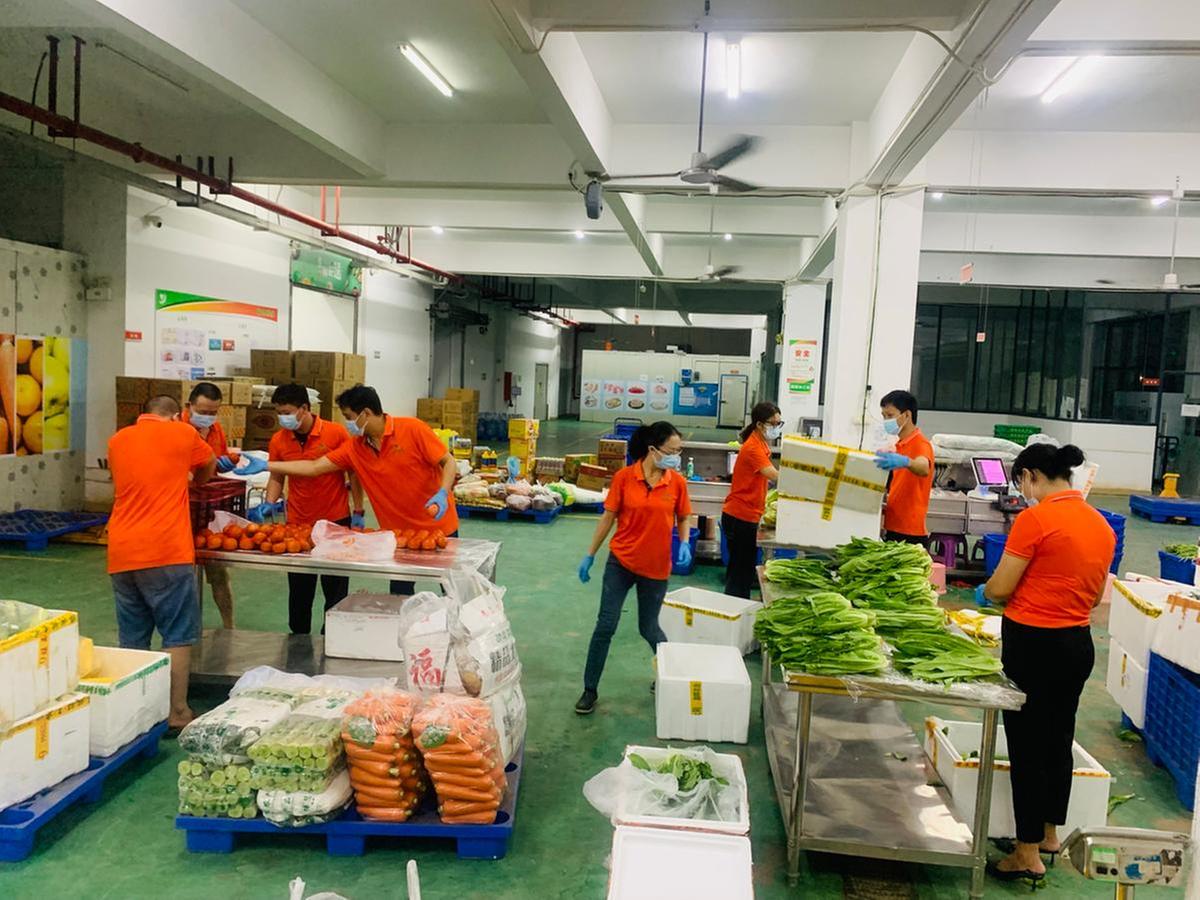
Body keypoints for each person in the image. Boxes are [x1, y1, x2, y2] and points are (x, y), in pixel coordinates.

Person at [976, 443, 1115, 887]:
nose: (1023, 490)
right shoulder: (1099, 523)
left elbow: (1001, 587)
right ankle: (1050, 835)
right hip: (1077, 644)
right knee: (1058, 739)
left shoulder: (1035, 520)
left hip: (1034, 645)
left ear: (1031, 476)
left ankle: (1026, 853)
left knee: (1027, 747)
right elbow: (1096, 596)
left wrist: (987, 592)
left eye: (1021, 481)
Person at [263, 384, 458, 595]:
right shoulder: (355, 448)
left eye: (349, 417)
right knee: (400, 596)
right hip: (398, 534)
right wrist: (266, 465)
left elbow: (448, 461)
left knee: (452, 589)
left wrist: (443, 492)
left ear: (365, 413)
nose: (347, 424)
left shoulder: (412, 428)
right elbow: (314, 467)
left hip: (438, 525)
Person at [107, 395, 217, 731]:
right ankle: (177, 712)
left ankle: (134, 715)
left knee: (133, 638)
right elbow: (209, 464)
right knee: (176, 635)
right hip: (166, 549)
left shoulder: (117, 440)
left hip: (122, 550)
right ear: (176, 415)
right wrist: (195, 480)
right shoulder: (183, 432)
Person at [574, 421, 692, 715]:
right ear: (653, 449)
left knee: (648, 627)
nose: (676, 457)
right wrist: (590, 554)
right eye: (672, 451)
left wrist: (685, 541)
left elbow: (683, 516)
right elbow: (608, 518)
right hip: (621, 563)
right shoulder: (625, 478)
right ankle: (589, 689)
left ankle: (671, 675)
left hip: (656, 567)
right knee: (606, 625)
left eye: (679, 451)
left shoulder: (677, 482)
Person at [256, 383, 365, 635]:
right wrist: (269, 503)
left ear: (304, 408)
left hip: (335, 521)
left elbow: (353, 472)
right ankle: (298, 639)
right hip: (298, 524)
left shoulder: (335, 433)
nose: (282, 418)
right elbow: (277, 476)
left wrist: (358, 509)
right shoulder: (279, 440)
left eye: (286, 412)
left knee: (335, 590)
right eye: (278, 413)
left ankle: (333, 638)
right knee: (299, 592)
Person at [183, 382, 237, 628]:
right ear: (189, 406)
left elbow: (217, 460)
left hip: (209, 508)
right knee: (183, 577)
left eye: (213, 412)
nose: (207, 417)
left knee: (219, 574)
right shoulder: (178, 429)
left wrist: (225, 462)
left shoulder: (216, 429)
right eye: (203, 411)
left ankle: (229, 626)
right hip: (182, 507)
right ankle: (187, 630)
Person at [722, 401, 782, 598]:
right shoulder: (753, 447)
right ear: (759, 424)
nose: (776, 428)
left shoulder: (761, 443)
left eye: (779, 423)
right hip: (740, 516)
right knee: (740, 572)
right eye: (773, 423)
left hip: (748, 515)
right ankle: (734, 607)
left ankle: (737, 605)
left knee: (744, 569)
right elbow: (773, 475)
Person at [874, 389, 934, 546]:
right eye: (883, 416)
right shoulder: (899, 445)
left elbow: (923, 467)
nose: (886, 421)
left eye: (890, 415)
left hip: (910, 531)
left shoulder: (920, 443)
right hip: (894, 525)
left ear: (907, 415)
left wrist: (906, 462)